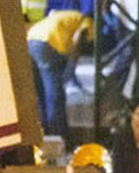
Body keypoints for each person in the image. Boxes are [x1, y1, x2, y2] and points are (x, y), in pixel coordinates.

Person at [27, 10, 93, 139]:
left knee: (41, 92)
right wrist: (72, 60)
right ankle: (57, 134)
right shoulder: (88, 22)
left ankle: (42, 129)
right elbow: (78, 38)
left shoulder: (69, 15)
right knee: (54, 93)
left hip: (31, 39)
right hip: (48, 42)